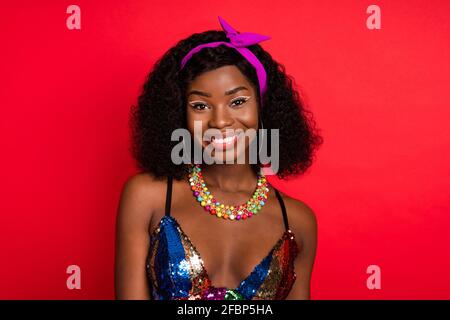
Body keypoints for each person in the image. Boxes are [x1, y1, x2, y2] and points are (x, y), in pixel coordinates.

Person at [115, 16, 323, 300]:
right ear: (179, 114)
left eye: (237, 101)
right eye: (200, 105)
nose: (220, 121)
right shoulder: (147, 197)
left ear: (264, 107)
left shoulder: (298, 221)